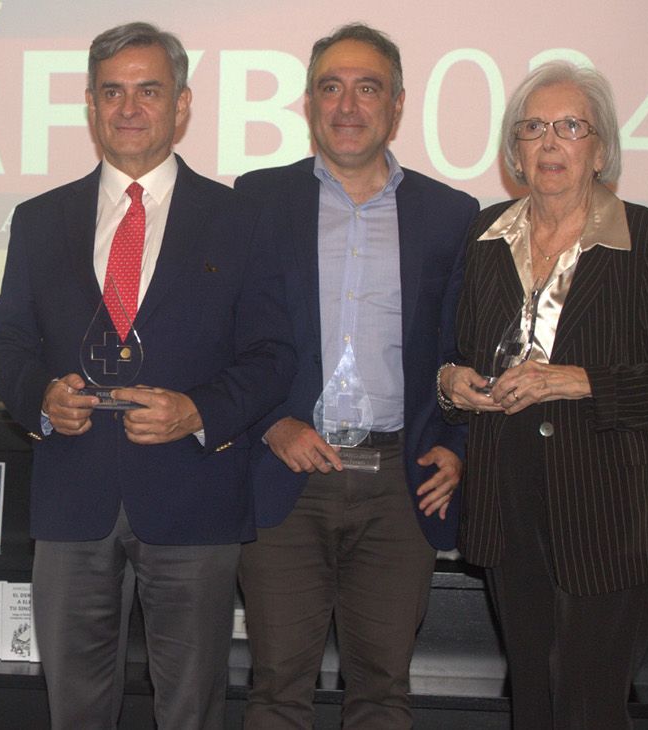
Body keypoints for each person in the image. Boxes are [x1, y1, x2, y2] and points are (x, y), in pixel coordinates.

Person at [0, 22, 294, 729]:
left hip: (194, 492)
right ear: (90, 107)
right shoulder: (39, 220)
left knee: (190, 707)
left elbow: (274, 354)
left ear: (182, 105)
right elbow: (7, 341)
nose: (129, 108)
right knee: (76, 708)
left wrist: (197, 410)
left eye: (148, 91)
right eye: (112, 92)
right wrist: (40, 398)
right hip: (73, 491)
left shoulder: (240, 220)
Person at [232, 23, 478, 729]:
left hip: (400, 487)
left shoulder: (451, 215)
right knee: (277, 690)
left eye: (367, 88)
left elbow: (465, 345)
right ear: (308, 104)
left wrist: (457, 446)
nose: (347, 105)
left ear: (397, 105)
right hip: (286, 479)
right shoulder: (255, 200)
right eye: (330, 87)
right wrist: (273, 422)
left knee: (382, 693)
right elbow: (227, 337)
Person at [438, 61, 648, 730]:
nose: (550, 143)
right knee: (533, 704)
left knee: (589, 706)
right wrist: (452, 384)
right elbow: (455, 351)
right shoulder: (485, 237)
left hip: (609, 511)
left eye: (570, 127)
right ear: (515, 151)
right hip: (507, 503)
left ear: (600, 148)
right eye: (534, 128)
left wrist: (579, 379)